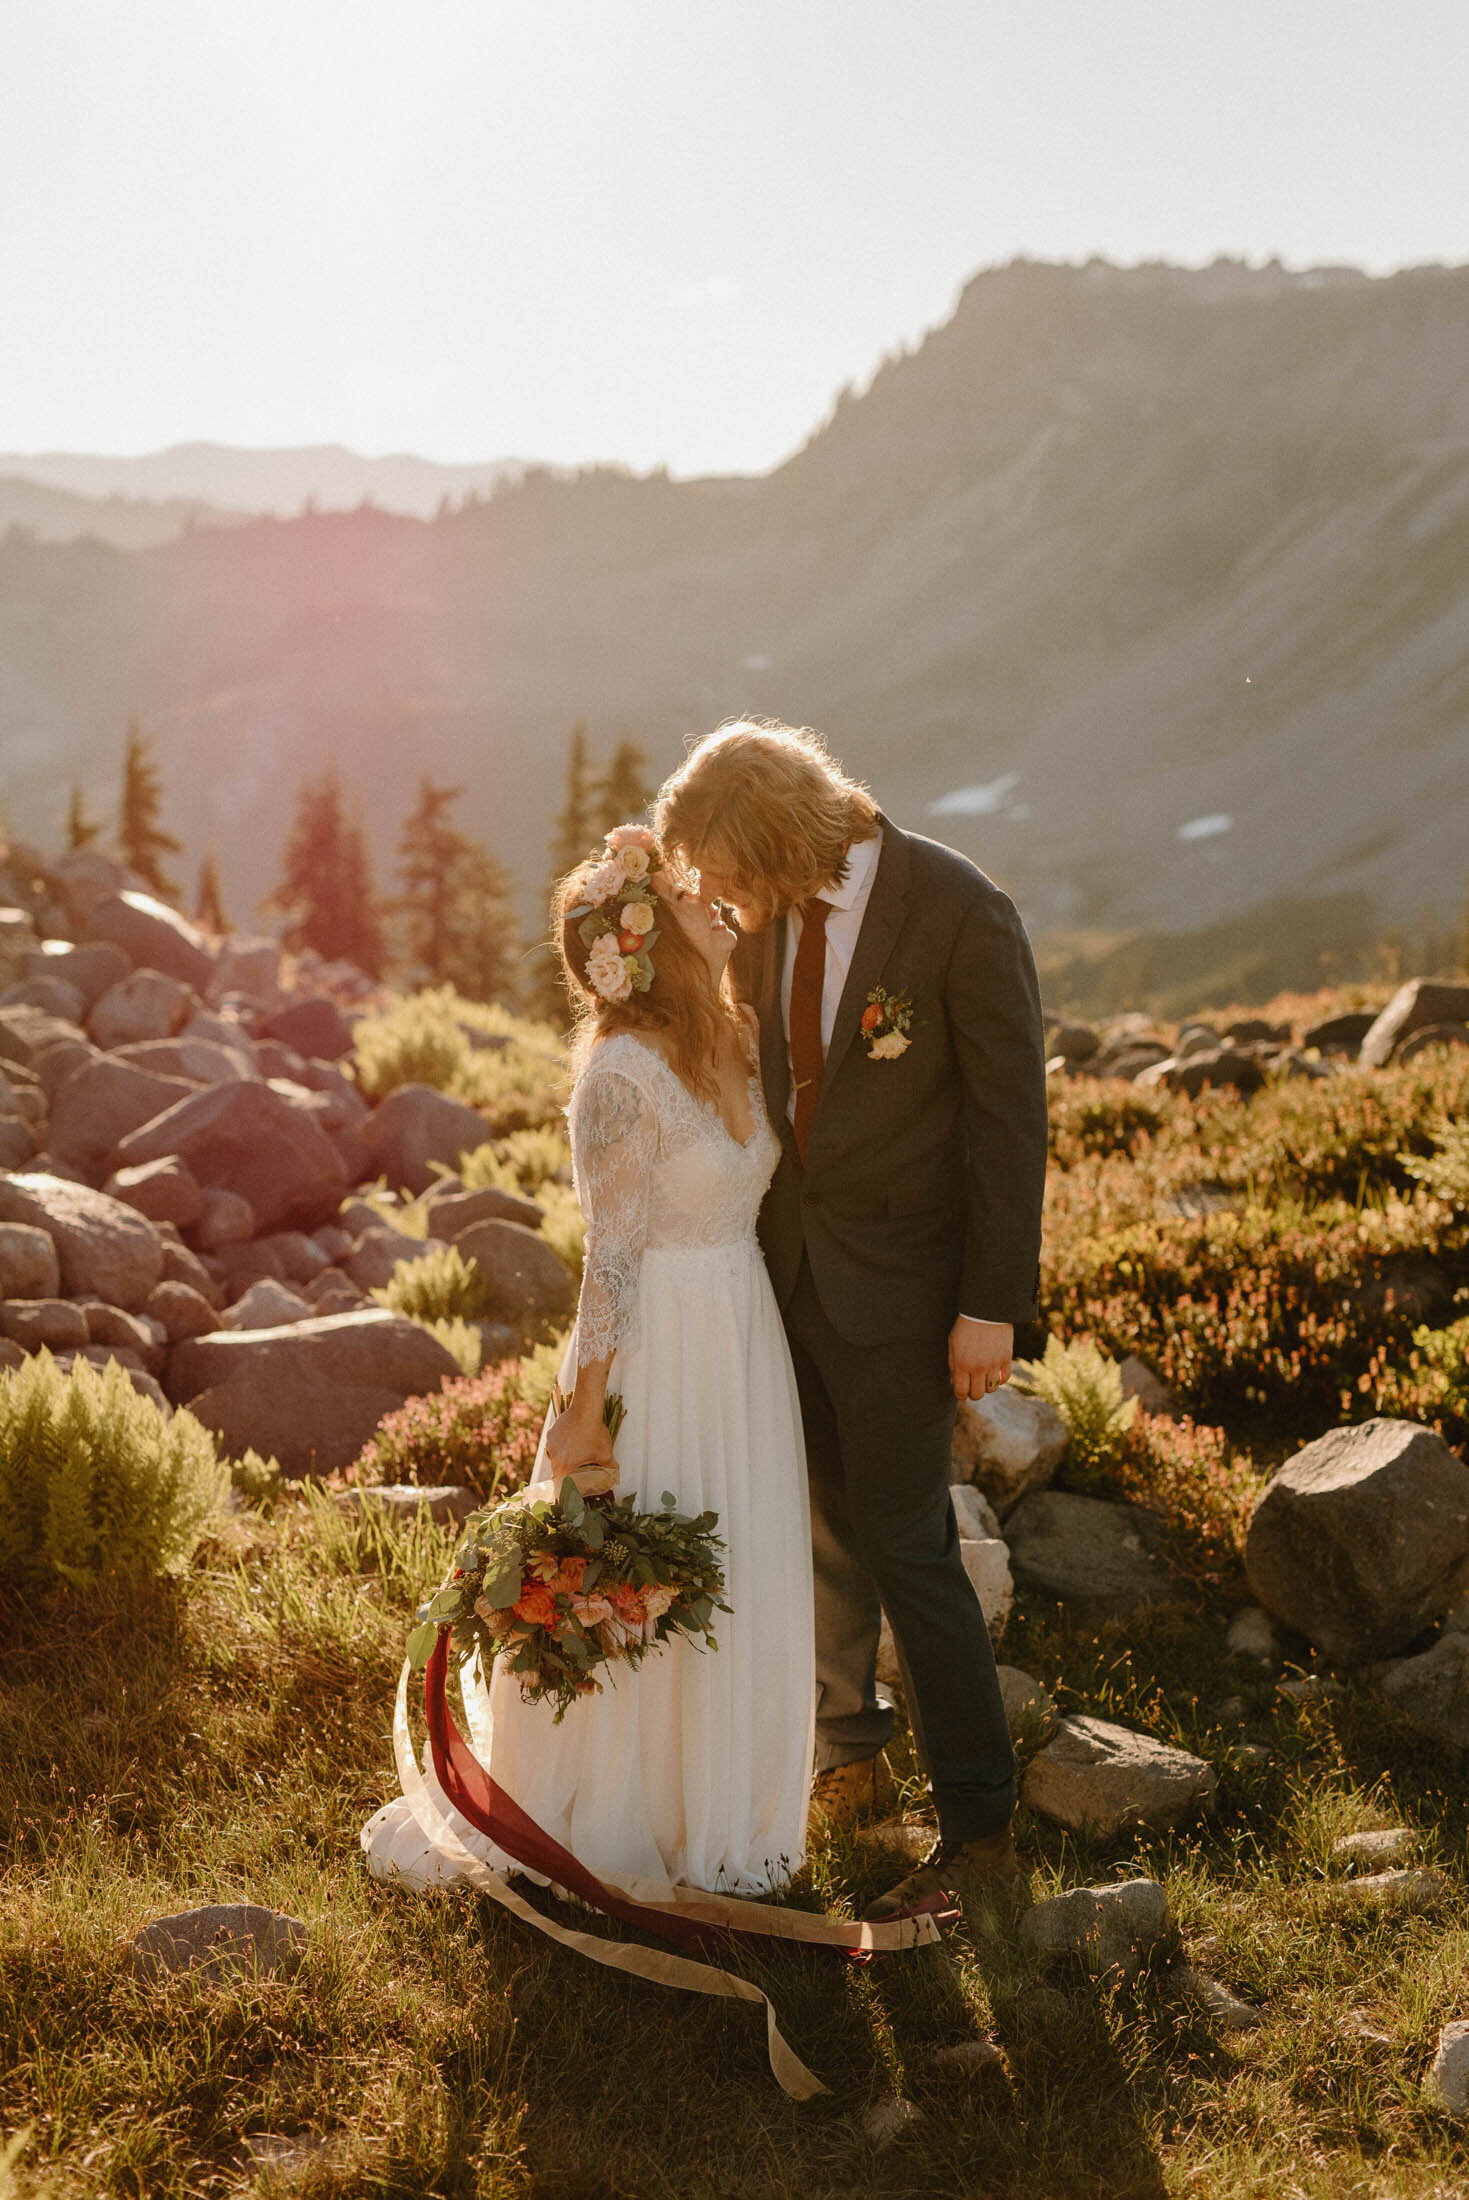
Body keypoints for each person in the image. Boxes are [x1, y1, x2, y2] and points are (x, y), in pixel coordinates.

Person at [362, 824, 816, 1897]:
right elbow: (608, 1260)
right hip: (662, 1342)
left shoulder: (736, 1032)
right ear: (645, 937)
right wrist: (583, 1411)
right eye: (682, 891)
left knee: (738, 1553)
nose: (713, 898)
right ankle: (622, 1810)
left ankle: (727, 1809)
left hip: (742, 1331)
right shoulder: (616, 1075)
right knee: (646, 1560)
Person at [656, 720, 1049, 1922]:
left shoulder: (958, 911)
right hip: (785, 1274)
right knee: (819, 1524)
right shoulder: (771, 909)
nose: (720, 897)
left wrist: (992, 1304)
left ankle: (980, 1822)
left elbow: (1007, 1121)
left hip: (909, 1293)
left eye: (725, 872)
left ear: (780, 839)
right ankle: (851, 1749)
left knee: (905, 1538)